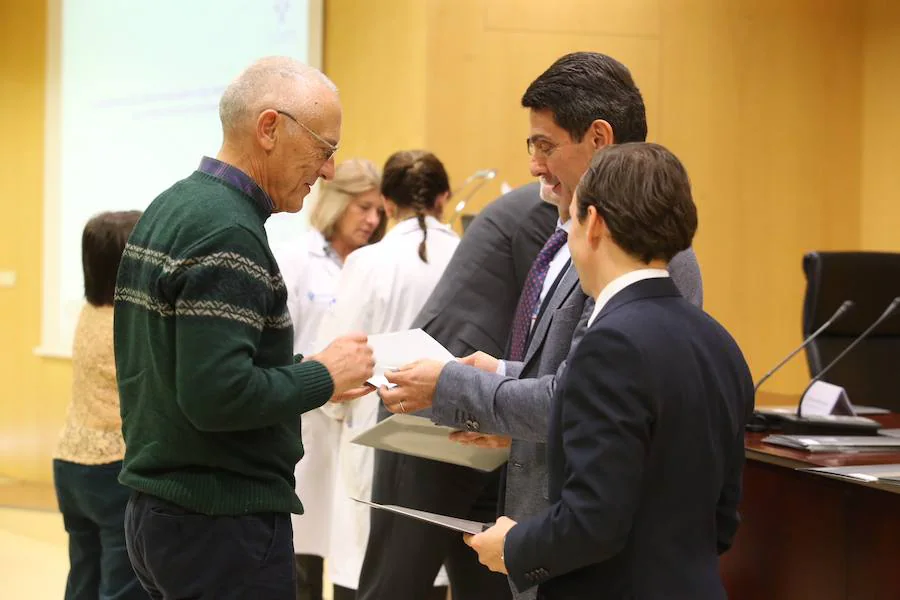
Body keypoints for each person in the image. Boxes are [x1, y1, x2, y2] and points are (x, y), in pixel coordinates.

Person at [379, 52, 702, 598]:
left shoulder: (652, 260)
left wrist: (458, 387)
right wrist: (502, 373)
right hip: (547, 550)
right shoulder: (562, 240)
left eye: (544, 145)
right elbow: (577, 376)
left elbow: (581, 397)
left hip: (586, 558)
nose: (532, 165)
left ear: (599, 138)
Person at [114, 57, 374, 600]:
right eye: (325, 149)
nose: (328, 170)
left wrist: (311, 370)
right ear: (270, 128)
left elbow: (200, 370)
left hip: (166, 513)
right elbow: (216, 395)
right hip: (219, 521)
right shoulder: (227, 230)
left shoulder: (175, 205)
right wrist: (321, 377)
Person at [466, 142, 754, 599]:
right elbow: (722, 523)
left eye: (572, 218)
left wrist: (515, 547)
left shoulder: (609, 345)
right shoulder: (719, 342)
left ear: (594, 222)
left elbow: (594, 520)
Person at [357, 183, 557, 600]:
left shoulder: (566, 211)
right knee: (397, 578)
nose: (538, 164)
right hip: (438, 401)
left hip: (498, 410)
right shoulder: (545, 212)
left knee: (489, 574)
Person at [314, 150, 460, 600]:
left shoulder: (368, 263)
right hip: (452, 437)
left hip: (374, 436)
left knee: (369, 572)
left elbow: (335, 365)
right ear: (446, 197)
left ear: (388, 204)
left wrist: (337, 413)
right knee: (433, 572)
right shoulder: (467, 255)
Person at [274, 158, 383, 600]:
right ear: (337, 204)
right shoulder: (295, 260)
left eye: (379, 210)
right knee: (302, 557)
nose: (373, 220)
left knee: (349, 550)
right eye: (363, 208)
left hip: (357, 427)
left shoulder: (376, 262)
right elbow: (281, 346)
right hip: (307, 431)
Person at [53, 210, 147, 600]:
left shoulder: (88, 312)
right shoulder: (129, 323)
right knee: (123, 585)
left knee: (83, 579)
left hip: (71, 464)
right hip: (113, 468)